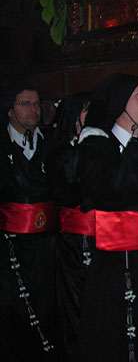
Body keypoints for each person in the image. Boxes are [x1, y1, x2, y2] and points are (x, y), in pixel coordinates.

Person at [76, 74, 138, 362]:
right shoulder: (98, 145)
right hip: (113, 263)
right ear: (119, 101)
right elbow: (111, 189)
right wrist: (136, 151)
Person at [0, 82, 57, 361]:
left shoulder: (52, 144)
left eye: (36, 104)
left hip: (48, 246)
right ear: (9, 111)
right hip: (10, 247)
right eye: (25, 104)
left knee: (48, 304)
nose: (33, 110)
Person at [45, 92, 92, 362]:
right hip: (72, 242)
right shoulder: (61, 152)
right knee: (76, 303)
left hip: (100, 239)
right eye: (87, 111)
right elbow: (70, 187)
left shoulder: (100, 146)